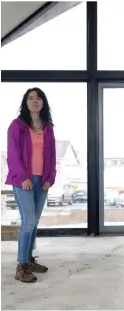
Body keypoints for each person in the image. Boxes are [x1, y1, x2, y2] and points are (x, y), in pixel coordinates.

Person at [6, 87, 56, 283]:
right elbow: (13, 155)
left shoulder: (48, 128)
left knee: (34, 221)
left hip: (41, 181)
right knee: (28, 221)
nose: (35, 101)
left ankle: (29, 258)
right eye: (31, 98)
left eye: (39, 98)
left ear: (43, 103)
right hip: (22, 180)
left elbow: (51, 157)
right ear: (26, 103)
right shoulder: (16, 126)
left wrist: (50, 178)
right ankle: (21, 266)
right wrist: (22, 177)